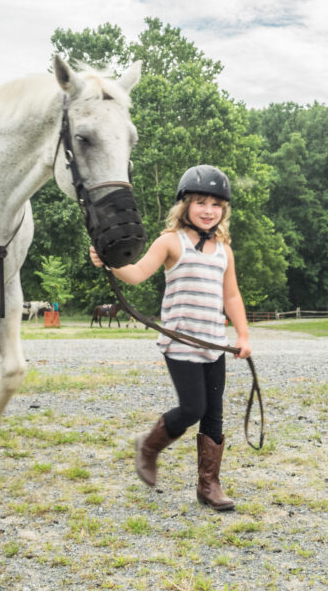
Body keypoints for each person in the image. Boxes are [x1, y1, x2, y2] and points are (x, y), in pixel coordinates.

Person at [89, 164, 251, 511]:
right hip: (180, 344)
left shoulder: (224, 249)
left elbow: (232, 296)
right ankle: (149, 445)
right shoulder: (171, 242)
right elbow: (136, 273)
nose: (209, 211)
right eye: (201, 203)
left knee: (214, 416)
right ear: (185, 205)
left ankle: (209, 485)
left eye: (216, 205)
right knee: (193, 407)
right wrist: (109, 261)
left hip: (213, 345)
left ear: (224, 210)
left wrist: (243, 334)